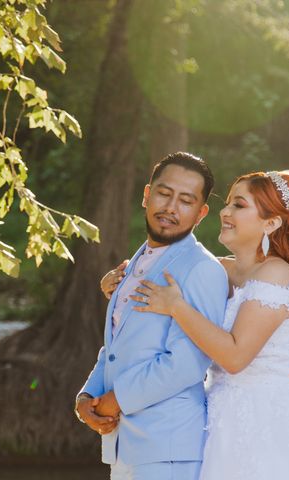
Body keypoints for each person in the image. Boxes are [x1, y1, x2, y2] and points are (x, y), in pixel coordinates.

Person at [103, 170, 289, 479]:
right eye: (228, 203)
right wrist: (119, 283)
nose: (226, 212)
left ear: (270, 223)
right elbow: (162, 271)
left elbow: (235, 357)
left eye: (239, 205)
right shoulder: (219, 269)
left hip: (266, 422)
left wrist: (176, 306)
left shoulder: (277, 275)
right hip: (217, 417)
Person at [74, 152, 229, 480]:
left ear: (201, 213)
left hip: (169, 450)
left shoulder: (202, 269)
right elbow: (118, 346)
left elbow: (188, 362)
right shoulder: (135, 263)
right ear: (147, 195)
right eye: (164, 193)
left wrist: (116, 399)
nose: (171, 207)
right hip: (125, 446)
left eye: (186, 200)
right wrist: (87, 396)